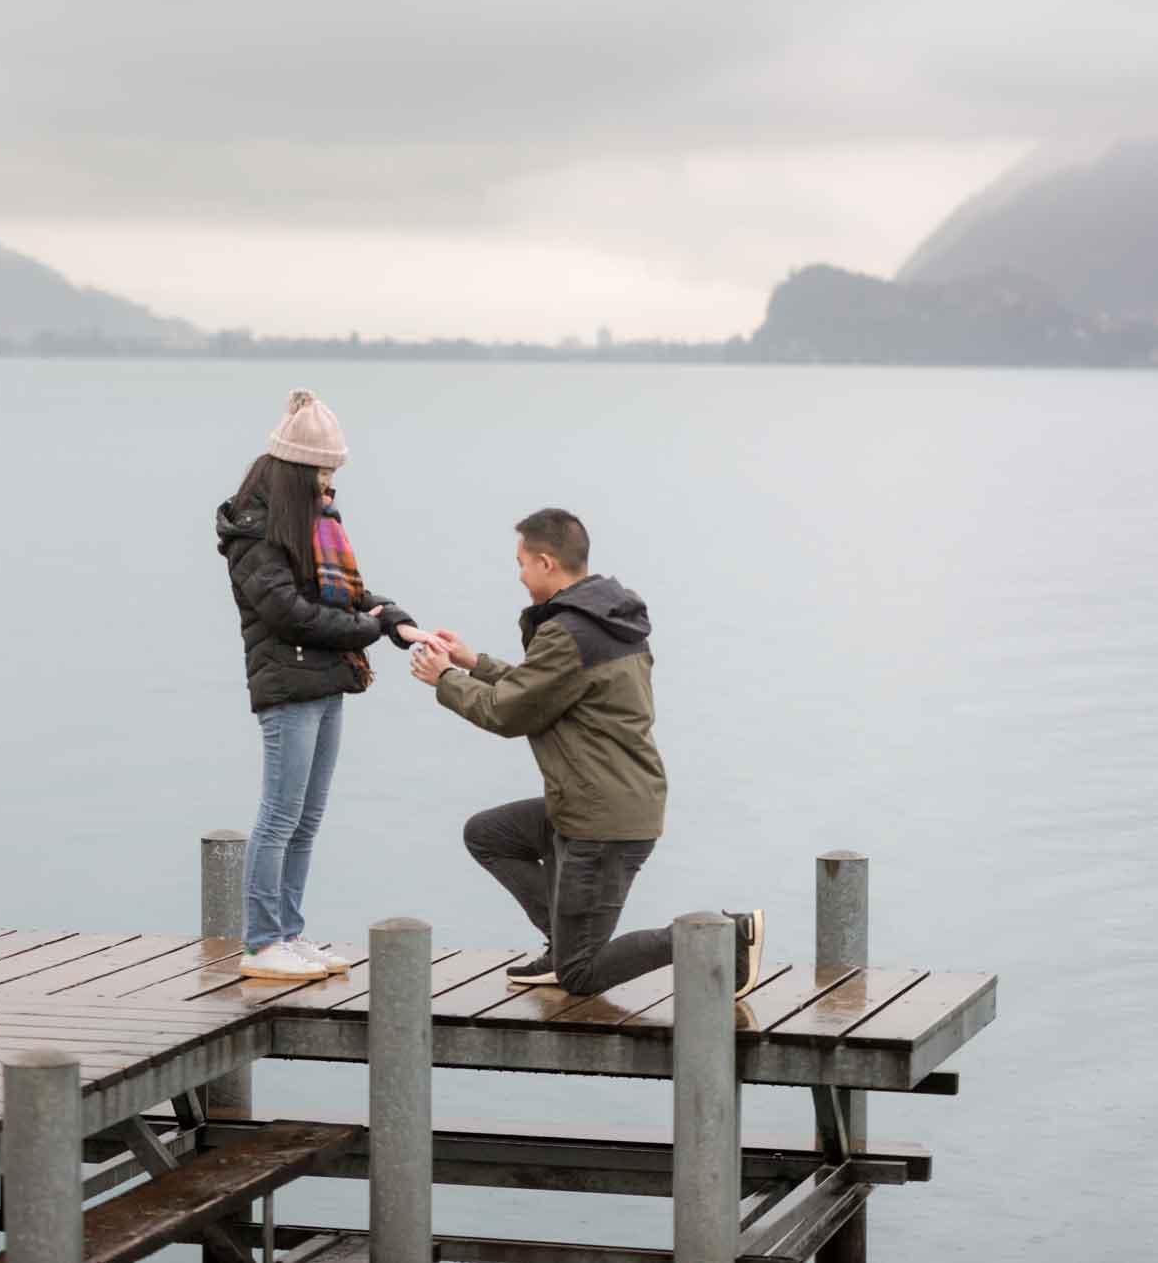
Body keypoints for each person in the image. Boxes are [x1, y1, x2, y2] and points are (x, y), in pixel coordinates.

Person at [410, 507, 765, 998]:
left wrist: (445, 679)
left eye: (521, 563)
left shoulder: (569, 632)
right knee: (488, 834)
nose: (518, 574)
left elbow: (508, 713)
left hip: (602, 822)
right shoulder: (606, 621)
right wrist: (475, 662)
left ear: (546, 563)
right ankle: (564, 941)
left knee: (581, 975)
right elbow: (543, 687)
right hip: (600, 801)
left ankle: (722, 936)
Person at [218, 389, 444, 980]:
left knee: (306, 818)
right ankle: (262, 942)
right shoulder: (253, 531)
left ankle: (288, 932)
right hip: (287, 685)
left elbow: (348, 595)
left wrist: (396, 622)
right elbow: (287, 611)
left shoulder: (315, 522)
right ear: (294, 470)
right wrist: (366, 629)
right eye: (322, 471)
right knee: (279, 815)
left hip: (326, 680)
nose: (330, 483)